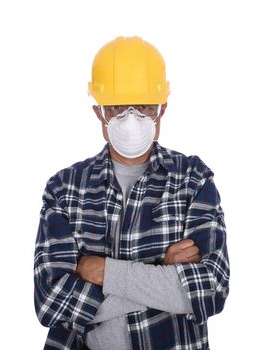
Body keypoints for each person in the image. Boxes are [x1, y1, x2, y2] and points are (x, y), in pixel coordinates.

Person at [33, 36, 230, 350]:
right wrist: (161, 272)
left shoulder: (193, 179)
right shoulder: (65, 188)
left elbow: (210, 290)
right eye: (117, 107)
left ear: (162, 108)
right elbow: (51, 303)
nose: (131, 119)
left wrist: (104, 271)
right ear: (99, 111)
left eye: (143, 106)